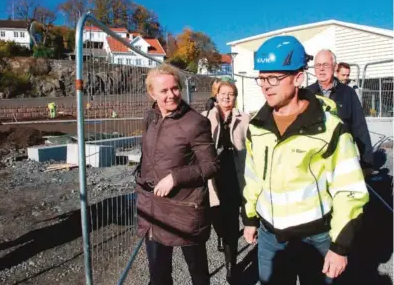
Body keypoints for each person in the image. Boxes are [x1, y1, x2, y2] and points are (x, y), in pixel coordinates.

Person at [243, 36, 369, 285]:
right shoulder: (257, 127)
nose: (265, 86)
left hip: (317, 237)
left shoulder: (329, 127)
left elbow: (349, 190)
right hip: (270, 238)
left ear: (298, 78)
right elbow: (253, 176)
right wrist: (249, 218)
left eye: (274, 78)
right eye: (261, 78)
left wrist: (340, 245)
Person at [136, 64, 219, 285]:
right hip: (152, 209)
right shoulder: (150, 118)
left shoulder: (195, 122)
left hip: (184, 209)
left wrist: (175, 177)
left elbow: (211, 165)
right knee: (158, 275)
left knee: (198, 272)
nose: (171, 95)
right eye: (163, 91)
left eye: (175, 88)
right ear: (152, 93)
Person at [202, 78, 250, 283]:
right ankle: (221, 235)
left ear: (235, 97)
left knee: (231, 222)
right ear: (216, 95)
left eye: (231, 93)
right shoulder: (204, 118)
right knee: (217, 219)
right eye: (223, 93)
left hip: (235, 173)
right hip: (214, 175)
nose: (227, 97)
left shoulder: (245, 118)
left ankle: (232, 266)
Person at [307, 50, 374, 175]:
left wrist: (367, 163)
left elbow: (360, 128)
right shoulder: (306, 94)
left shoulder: (348, 94)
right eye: (318, 65)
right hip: (315, 163)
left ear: (335, 66)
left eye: (326, 65)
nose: (321, 69)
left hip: (342, 159)